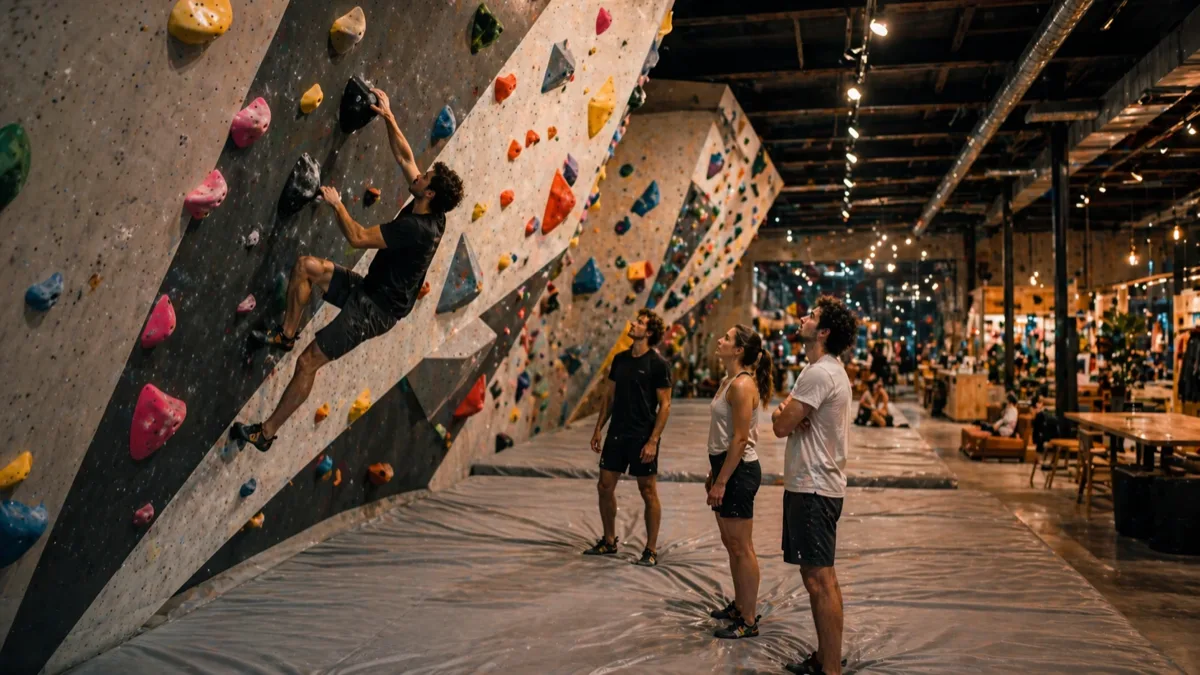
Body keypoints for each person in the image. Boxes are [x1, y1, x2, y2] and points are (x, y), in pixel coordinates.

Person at [230, 88, 464, 451]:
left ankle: (266, 433)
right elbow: (405, 157)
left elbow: (356, 237)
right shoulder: (432, 208)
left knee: (308, 363)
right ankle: (286, 334)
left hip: (375, 311)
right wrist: (388, 116)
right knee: (307, 267)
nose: (419, 175)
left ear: (429, 193)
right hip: (373, 288)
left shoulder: (416, 229)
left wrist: (336, 204)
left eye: (425, 178)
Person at [771, 296, 858, 675]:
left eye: (812, 316)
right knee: (818, 576)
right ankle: (826, 657)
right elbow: (790, 418)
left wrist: (787, 406)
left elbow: (779, 424)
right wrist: (791, 408)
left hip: (814, 487)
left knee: (820, 579)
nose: (803, 317)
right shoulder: (827, 370)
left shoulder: (818, 373)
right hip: (816, 485)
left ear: (822, 332)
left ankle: (831, 668)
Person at [585, 309, 672, 567]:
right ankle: (609, 541)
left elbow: (665, 405)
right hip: (617, 434)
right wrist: (599, 427)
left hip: (642, 435)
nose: (634, 324)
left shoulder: (658, 364)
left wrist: (653, 441)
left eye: (640, 323)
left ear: (649, 332)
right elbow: (609, 397)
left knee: (648, 491)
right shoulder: (620, 359)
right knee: (604, 486)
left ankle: (651, 549)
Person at [705, 325, 772, 640]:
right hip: (723, 467)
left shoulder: (743, 386)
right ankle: (739, 604)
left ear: (739, 350)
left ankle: (748, 618)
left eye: (727, 338)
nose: (720, 339)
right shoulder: (726, 381)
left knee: (742, 547)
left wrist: (721, 481)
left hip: (739, 471)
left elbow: (741, 438)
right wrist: (713, 473)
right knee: (731, 544)